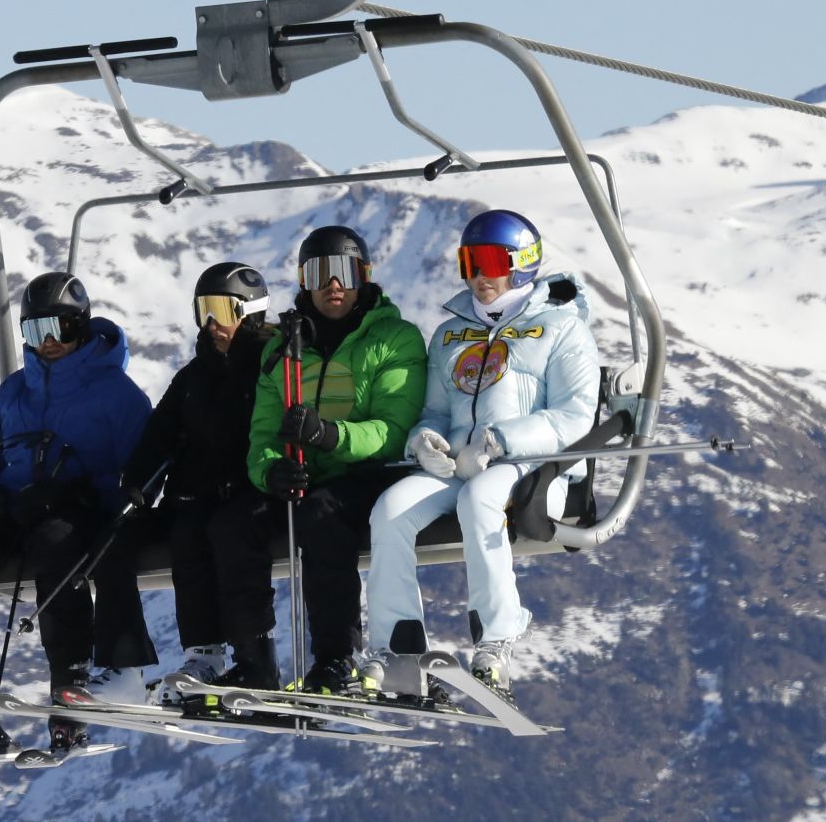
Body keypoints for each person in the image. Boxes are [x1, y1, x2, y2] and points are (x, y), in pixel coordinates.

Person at [0, 272, 153, 755]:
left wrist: (77, 494)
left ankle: (71, 690)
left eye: (59, 329)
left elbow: (142, 479)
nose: (49, 343)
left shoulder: (118, 395)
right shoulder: (14, 391)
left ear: (81, 326)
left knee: (55, 544)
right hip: (13, 511)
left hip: (76, 518)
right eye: (36, 332)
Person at [361, 209, 601, 699]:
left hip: (534, 469)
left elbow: (575, 417)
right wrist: (424, 441)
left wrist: (503, 441)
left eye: (489, 261)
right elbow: (432, 411)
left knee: (482, 500)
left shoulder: (560, 329)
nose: (478, 275)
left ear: (522, 262)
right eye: (468, 262)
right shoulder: (449, 334)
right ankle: (396, 648)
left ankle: (496, 639)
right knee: (390, 510)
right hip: (462, 463)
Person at [206, 226, 427, 695]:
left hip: (367, 476)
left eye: (344, 273)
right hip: (305, 477)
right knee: (233, 524)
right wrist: (271, 469)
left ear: (363, 276)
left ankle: (335, 658)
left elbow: (392, 432)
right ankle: (254, 661)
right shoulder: (284, 350)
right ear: (304, 280)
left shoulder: (394, 339)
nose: (333, 285)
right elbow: (263, 434)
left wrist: (328, 436)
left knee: (321, 514)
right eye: (319, 273)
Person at [115, 262, 275, 704]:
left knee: (227, 532)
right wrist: (137, 482)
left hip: (255, 491)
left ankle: (255, 657)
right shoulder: (194, 375)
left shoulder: (274, 364)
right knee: (183, 532)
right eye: (203, 310)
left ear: (251, 312)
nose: (211, 323)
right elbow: (160, 431)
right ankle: (203, 654)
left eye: (222, 310)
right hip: (198, 494)